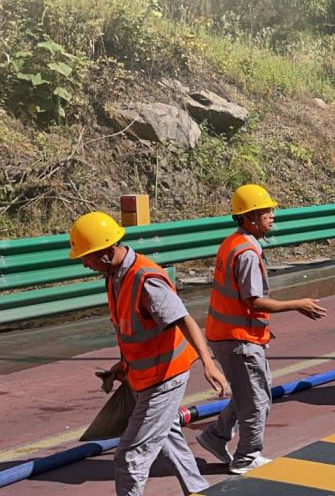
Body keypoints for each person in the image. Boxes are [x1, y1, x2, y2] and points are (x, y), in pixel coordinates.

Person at [68, 211, 227, 496]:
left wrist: (208, 362)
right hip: (144, 375)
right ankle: (199, 489)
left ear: (107, 251)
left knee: (130, 457)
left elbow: (184, 319)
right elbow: (135, 330)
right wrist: (123, 365)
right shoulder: (115, 275)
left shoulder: (145, 279)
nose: (84, 263)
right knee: (167, 436)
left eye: (88, 256)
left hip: (166, 377)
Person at [197, 184, 328, 475]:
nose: (272, 216)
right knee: (256, 399)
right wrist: (298, 304)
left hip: (228, 335)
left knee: (252, 391)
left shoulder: (233, 242)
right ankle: (247, 456)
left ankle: (216, 436)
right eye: (265, 212)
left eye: (270, 210)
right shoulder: (245, 252)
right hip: (238, 339)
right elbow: (253, 301)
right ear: (248, 218)